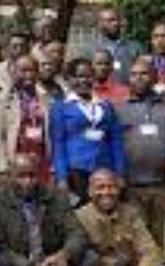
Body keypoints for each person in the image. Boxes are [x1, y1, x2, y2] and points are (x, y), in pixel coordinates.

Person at [115, 58, 165, 242]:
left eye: (144, 74)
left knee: (164, 238)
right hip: (131, 188)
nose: (139, 78)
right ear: (128, 79)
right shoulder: (118, 110)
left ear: (154, 77)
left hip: (163, 187)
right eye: (134, 74)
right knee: (137, 241)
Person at [49, 58, 126, 203]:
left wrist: (120, 172)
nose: (83, 81)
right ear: (69, 79)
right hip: (76, 171)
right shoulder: (60, 107)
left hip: (104, 170)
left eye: (88, 76)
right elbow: (58, 144)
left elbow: (115, 141)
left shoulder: (106, 106)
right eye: (78, 76)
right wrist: (62, 177)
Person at [0, 55, 51, 183]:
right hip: (16, 157)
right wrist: (1, 168)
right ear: (14, 72)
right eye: (23, 71)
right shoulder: (3, 98)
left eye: (32, 70)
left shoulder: (45, 97)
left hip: (41, 157)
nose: (28, 75)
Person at [90, 6, 142, 84]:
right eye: (109, 21)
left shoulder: (135, 47)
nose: (114, 23)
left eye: (116, 20)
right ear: (100, 24)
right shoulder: (90, 48)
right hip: (100, 90)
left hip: (127, 89)